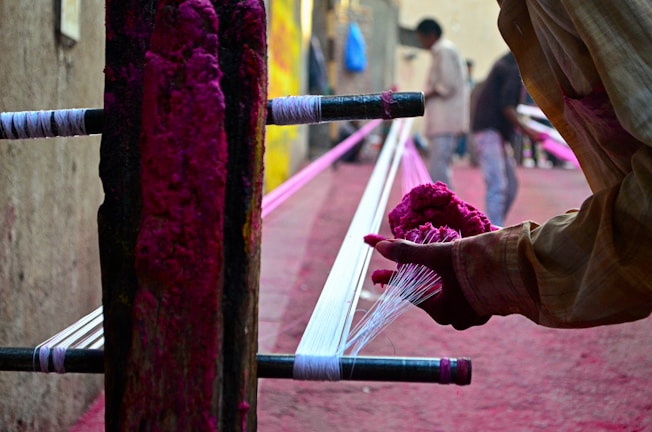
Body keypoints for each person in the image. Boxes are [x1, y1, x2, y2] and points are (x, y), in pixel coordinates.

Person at [371, 1, 652, 330]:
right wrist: (493, 260)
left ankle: (485, 229)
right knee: (492, 180)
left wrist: (492, 267)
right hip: (485, 130)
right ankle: (484, 230)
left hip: (480, 128)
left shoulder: (515, 52)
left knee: (498, 182)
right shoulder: (521, 28)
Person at [472, 52, 542, 227]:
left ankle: (493, 225)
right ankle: (492, 233)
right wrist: (529, 132)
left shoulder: (508, 64)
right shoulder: (512, 68)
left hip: (496, 133)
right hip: (489, 131)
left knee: (510, 186)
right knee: (498, 186)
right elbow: (507, 108)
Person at [415, 18, 468, 188]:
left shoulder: (443, 50)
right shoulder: (442, 51)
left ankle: (446, 208)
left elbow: (447, 85)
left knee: (438, 170)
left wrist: (422, 97)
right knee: (439, 167)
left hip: (445, 121)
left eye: (421, 38)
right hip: (443, 121)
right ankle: (444, 206)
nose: (421, 43)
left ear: (430, 35)